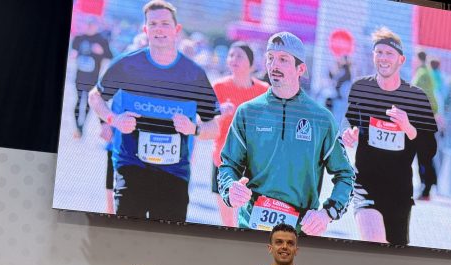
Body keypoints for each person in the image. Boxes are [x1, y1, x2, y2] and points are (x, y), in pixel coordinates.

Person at [87, 1, 219, 222]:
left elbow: (213, 128)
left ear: (177, 29)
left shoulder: (194, 74)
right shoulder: (127, 64)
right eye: (153, 24)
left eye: (165, 23)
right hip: (131, 166)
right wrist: (114, 119)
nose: (159, 29)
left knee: (165, 238)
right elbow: (95, 96)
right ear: (145, 29)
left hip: (174, 174)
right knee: (127, 234)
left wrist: (194, 129)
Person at [218, 31, 354, 235]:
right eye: (270, 58)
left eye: (283, 59)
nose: (274, 65)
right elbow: (228, 166)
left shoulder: (321, 119)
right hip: (250, 227)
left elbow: (345, 175)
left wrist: (326, 214)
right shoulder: (248, 112)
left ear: (301, 69)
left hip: (298, 234)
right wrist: (231, 188)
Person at [341, 28, 437, 246]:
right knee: (374, 241)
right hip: (365, 184)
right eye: (379, 52)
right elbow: (348, 120)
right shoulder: (361, 88)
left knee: (393, 254)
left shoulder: (416, 97)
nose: (383, 58)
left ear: (401, 60)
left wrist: (408, 127)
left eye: (389, 53)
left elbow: (429, 147)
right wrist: (349, 132)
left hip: (399, 191)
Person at [211, 42, 268, 228]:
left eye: (240, 56)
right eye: (231, 55)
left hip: (254, 163)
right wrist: (219, 113)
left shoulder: (264, 91)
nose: (234, 59)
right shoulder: (218, 87)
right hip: (223, 160)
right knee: (228, 221)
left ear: (251, 64)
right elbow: (205, 123)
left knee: (251, 217)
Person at [70, 18, 113, 138]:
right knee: (79, 101)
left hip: (93, 78)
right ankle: (78, 127)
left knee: (88, 103)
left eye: (92, 25)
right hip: (80, 76)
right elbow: (73, 50)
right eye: (88, 25)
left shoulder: (101, 40)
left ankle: (82, 126)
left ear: (96, 27)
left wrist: (101, 51)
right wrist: (74, 53)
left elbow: (110, 55)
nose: (90, 27)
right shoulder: (79, 38)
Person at [410, 51, 439, 200]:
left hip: (422, 120)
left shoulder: (422, 74)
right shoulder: (426, 73)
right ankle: (427, 187)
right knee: (425, 155)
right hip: (425, 120)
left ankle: (426, 188)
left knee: (423, 155)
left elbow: (424, 97)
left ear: (418, 58)